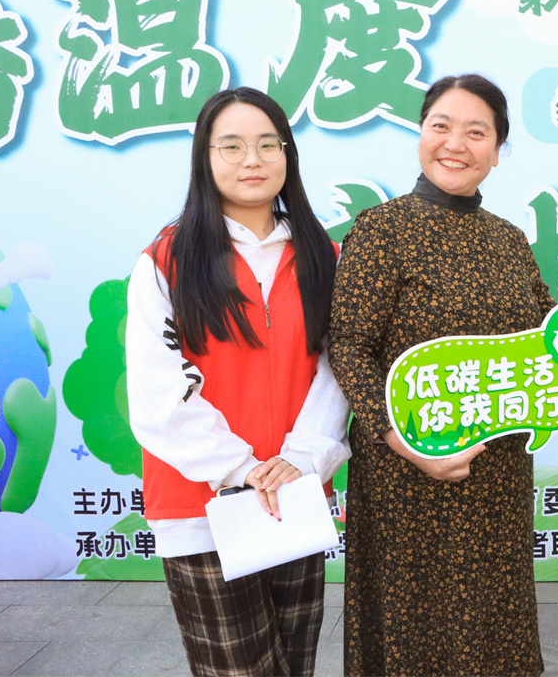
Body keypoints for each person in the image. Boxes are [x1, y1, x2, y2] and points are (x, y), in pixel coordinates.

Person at [329, 74, 553, 677]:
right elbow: (348, 344)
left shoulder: (509, 240)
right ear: (421, 134)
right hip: (405, 474)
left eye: (476, 132)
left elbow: (546, 331)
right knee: (414, 635)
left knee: (493, 628)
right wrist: (400, 439)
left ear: (497, 150)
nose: (456, 144)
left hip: (497, 473)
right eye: (441, 126)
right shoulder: (381, 229)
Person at [127, 87, 350, 677]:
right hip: (201, 506)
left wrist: (302, 458)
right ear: (205, 156)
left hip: (295, 493)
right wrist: (240, 467)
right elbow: (155, 389)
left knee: (294, 665)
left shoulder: (324, 256)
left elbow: (337, 370)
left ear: (288, 154)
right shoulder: (165, 260)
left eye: (267, 145)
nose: (252, 159)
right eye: (231, 145)